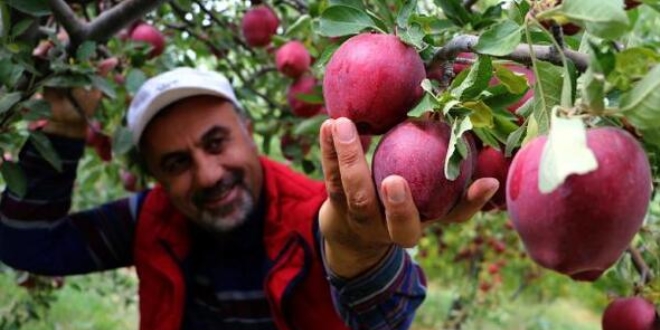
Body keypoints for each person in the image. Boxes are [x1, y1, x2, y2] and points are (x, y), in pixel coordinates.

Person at [0, 67, 498, 330]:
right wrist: (64, 130)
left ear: (248, 130)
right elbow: (30, 245)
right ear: (155, 175)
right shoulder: (151, 216)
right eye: (176, 163)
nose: (208, 173)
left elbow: (386, 319)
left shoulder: (316, 216)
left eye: (217, 142)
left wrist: (363, 257)